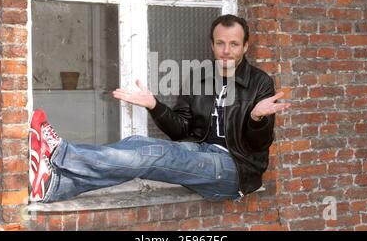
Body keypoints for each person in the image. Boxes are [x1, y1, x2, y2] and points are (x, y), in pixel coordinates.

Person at [29, 14, 291, 203]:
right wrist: (155, 106)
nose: (226, 50)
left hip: (234, 169)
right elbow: (181, 130)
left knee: (153, 155)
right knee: (137, 144)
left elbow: (259, 145)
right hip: (201, 152)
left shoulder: (259, 83)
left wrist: (257, 118)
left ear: (245, 46)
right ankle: (55, 186)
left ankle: (61, 153)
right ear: (212, 45)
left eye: (234, 44)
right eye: (220, 43)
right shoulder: (200, 78)